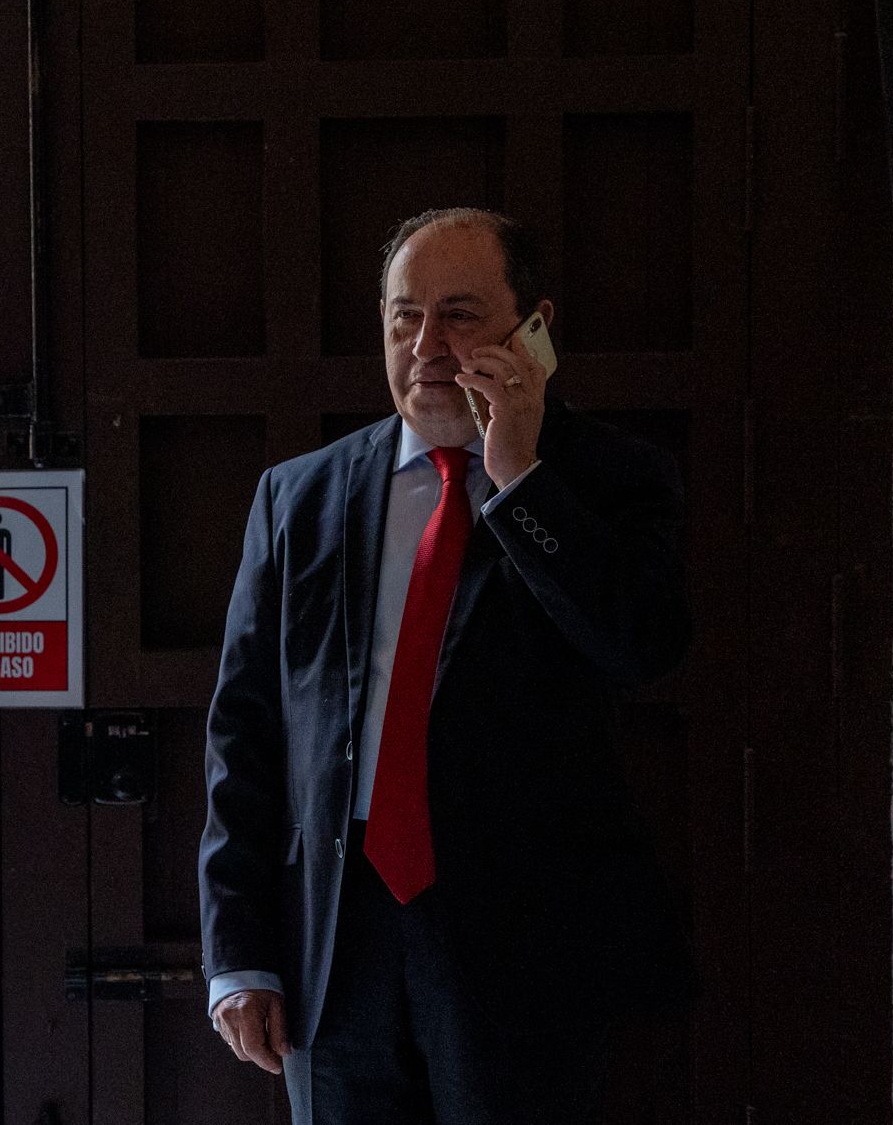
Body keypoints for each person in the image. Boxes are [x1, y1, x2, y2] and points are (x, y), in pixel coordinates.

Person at [199, 208, 692, 1123]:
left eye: (459, 314)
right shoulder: (299, 496)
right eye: (402, 316)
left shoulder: (611, 478)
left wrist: (516, 477)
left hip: (524, 951)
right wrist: (239, 949)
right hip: (333, 945)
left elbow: (640, 648)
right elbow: (246, 731)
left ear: (533, 327)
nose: (426, 344)